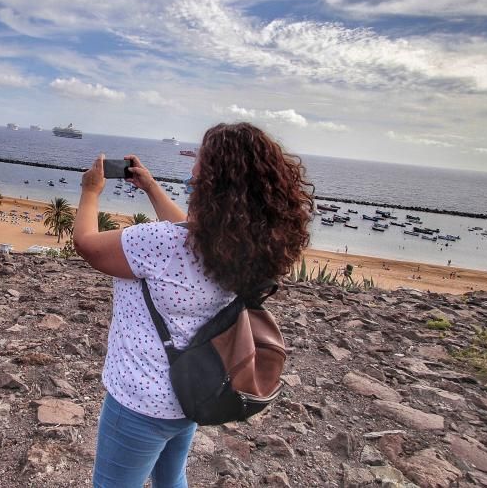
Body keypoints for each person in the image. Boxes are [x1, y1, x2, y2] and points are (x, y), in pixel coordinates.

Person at [73, 122, 313, 487]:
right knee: (172, 480)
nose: (192, 169)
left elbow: (88, 244)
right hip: (193, 391)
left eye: (200, 165)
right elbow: (189, 229)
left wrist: (90, 191)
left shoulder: (159, 243)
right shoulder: (240, 248)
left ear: (214, 183)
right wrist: (151, 188)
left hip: (140, 401)